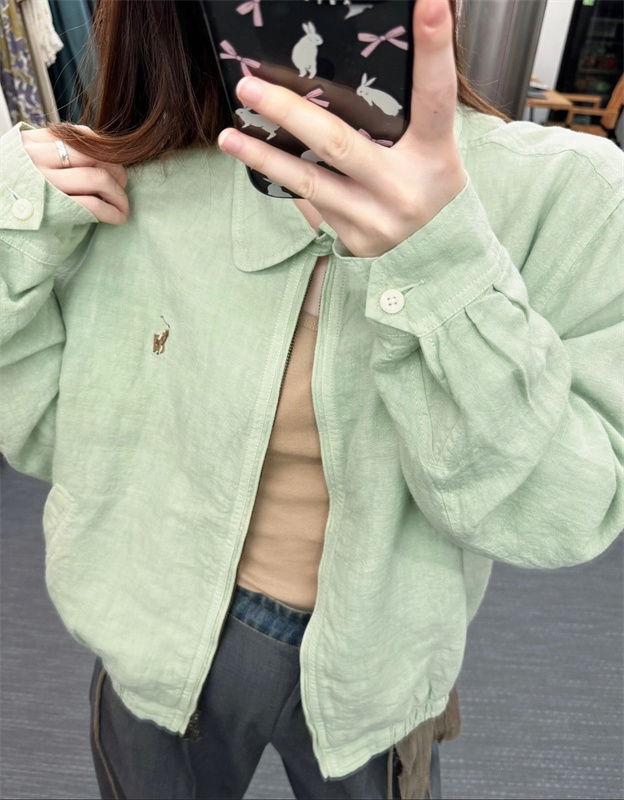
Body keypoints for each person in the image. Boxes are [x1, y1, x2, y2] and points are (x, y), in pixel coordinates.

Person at [1, 0, 622, 798]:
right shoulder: (131, 174)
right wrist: (16, 223)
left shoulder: (569, 195)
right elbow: (47, 437)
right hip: (149, 631)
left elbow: (562, 515)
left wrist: (442, 263)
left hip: (378, 663)